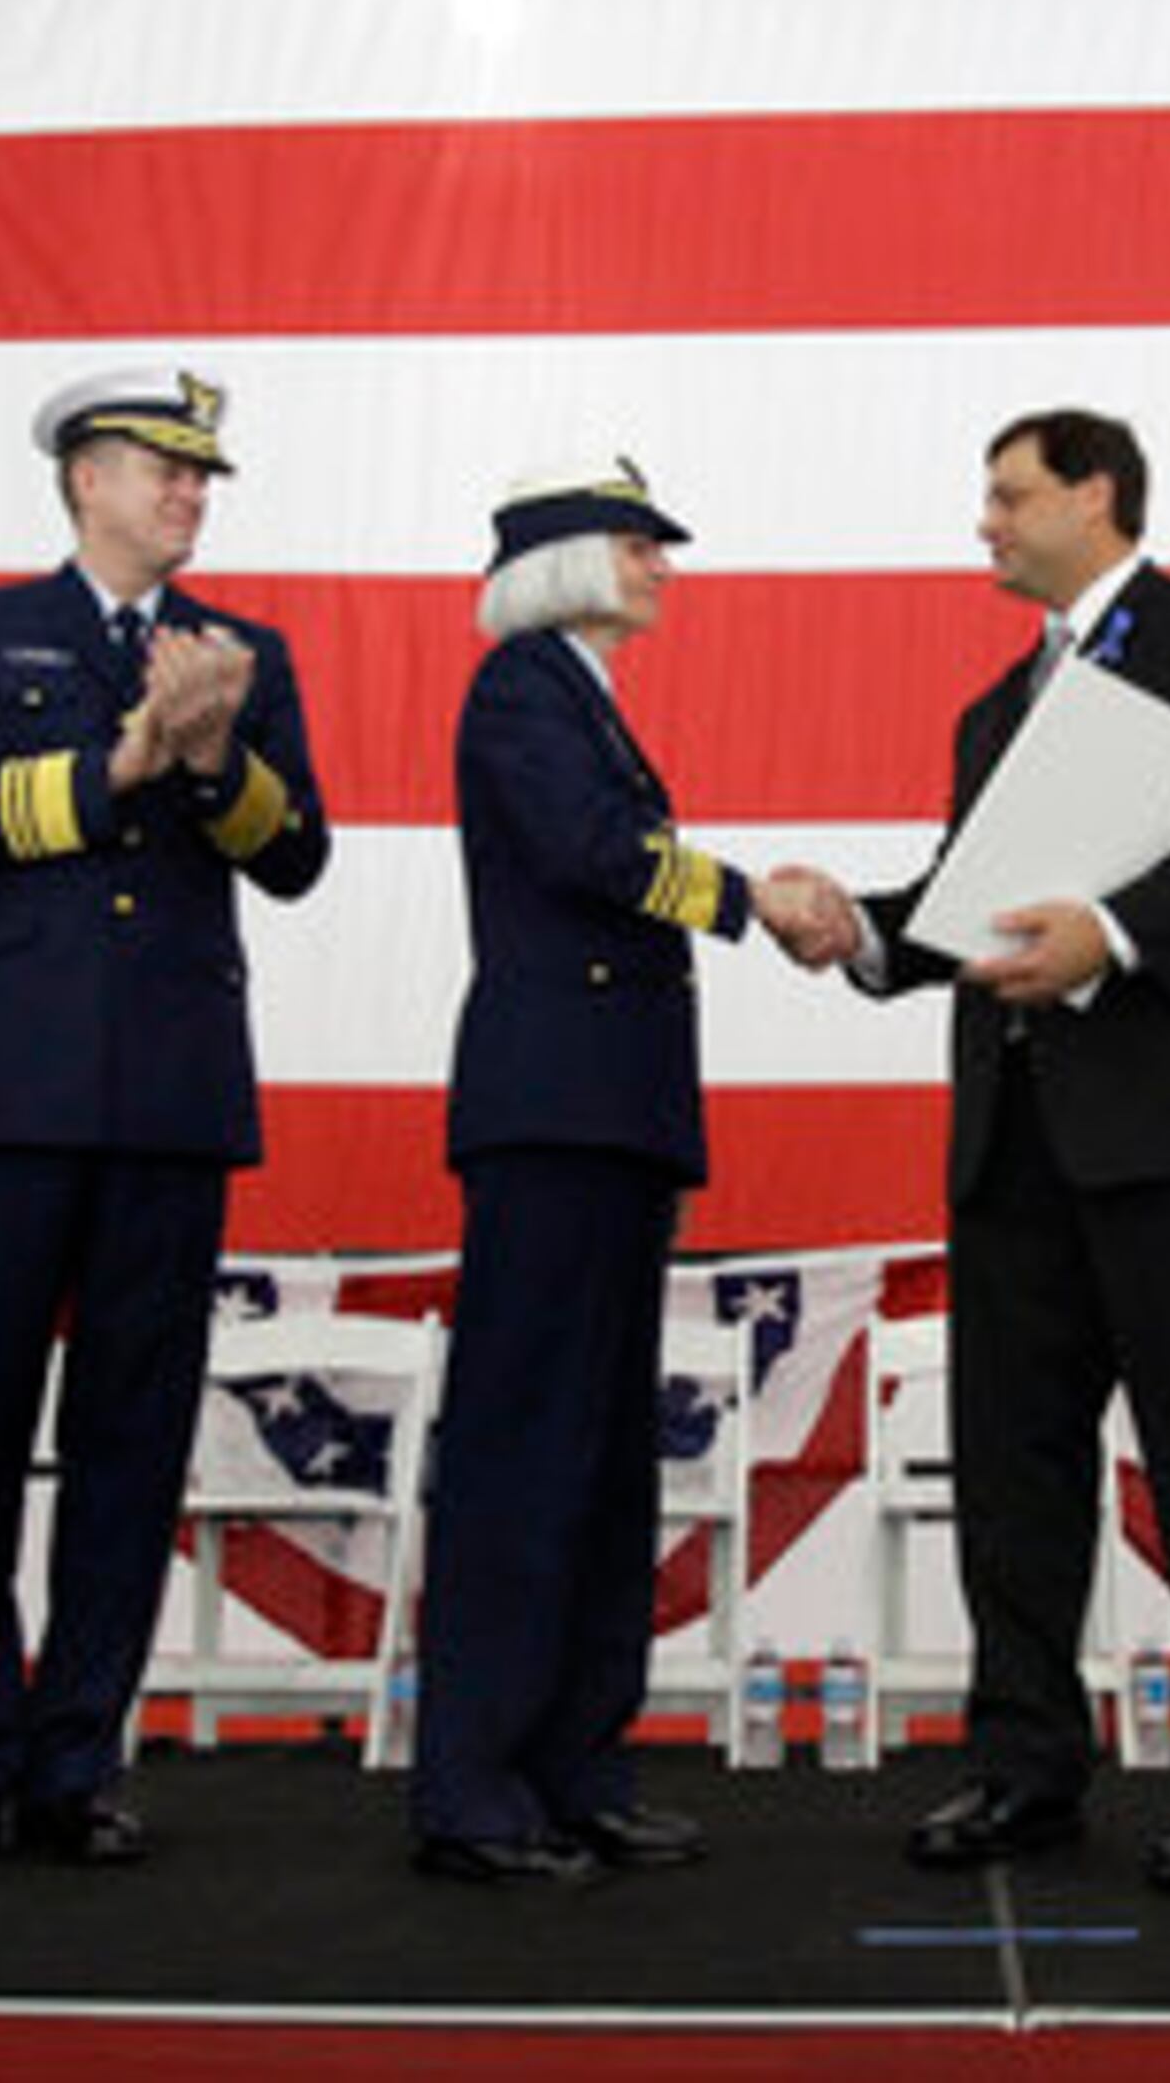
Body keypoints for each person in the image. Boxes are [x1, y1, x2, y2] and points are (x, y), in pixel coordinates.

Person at [776, 408, 1170, 1895]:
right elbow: (983, 904)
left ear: (1094, 493)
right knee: (1015, 1474)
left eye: (1008, 493)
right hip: (1023, 1138)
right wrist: (861, 931)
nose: (983, 522)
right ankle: (1024, 1765)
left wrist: (1120, 933)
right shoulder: (994, 711)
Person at [0, 368, 331, 1869]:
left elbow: (298, 854)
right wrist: (110, 768)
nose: (193, 493)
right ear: (86, 478)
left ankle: (74, 1759)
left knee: (131, 1443)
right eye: (165, 469)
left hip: (167, 1096)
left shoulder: (242, 653)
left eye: (205, 476)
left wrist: (211, 762)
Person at [410, 460, 843, 1885]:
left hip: (611, 1114)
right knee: (522, 1446)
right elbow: (594, 851)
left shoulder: (583, 703)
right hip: (552, 1111)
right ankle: (475, 1783)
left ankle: (575, 1764)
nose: (664, 562)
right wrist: (747, 898)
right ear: (560, 560)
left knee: (598, 1461)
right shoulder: (523, 690)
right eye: (639, 540)